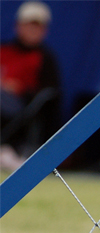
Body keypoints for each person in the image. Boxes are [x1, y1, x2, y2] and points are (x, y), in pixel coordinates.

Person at [1, 1, 61, 170]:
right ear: (17, 26)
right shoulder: (3, 51)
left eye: (38, 26)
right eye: (28, 25)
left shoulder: (45, 58)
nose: (33, 31)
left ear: (45, 31)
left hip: (20, 108)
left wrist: (20, 89)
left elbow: (50, 95)